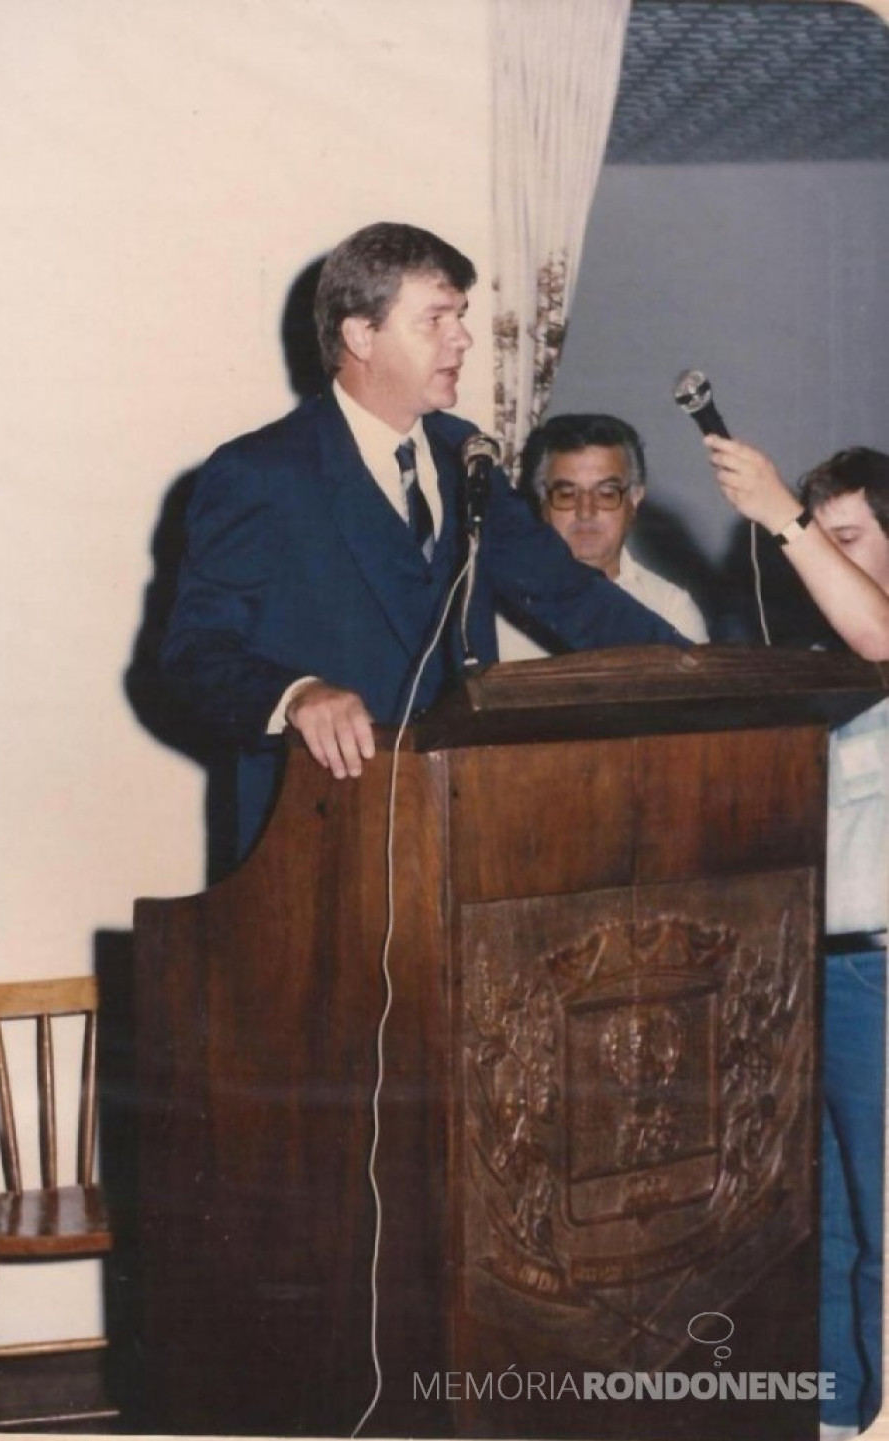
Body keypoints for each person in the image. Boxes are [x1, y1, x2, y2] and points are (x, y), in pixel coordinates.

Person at [161, 222, 687, 861]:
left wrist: (705, 674)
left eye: (460, 316)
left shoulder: (465, 457)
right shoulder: (261, 473)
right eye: (435, 319)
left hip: (462, 833)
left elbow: (576, 599)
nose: (462, 338)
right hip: (316, 847)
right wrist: (295, 695)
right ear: (361, 335)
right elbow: (193, 658)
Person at [707, 436, 889, 1440]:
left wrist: (780, 514)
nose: (831, 558)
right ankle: (827, 1415)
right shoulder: (815, 666)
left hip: (877, 971)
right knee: (813, 1222)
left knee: (883, 1234)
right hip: (796, 974)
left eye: (850, 537)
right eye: (821, 542)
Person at [497, 413, 708, 660]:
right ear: (542, 503)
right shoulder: (500, 607)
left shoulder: (671, 609)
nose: (585, 511)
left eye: (606, 494)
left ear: (635, 498)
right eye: (566, 494)